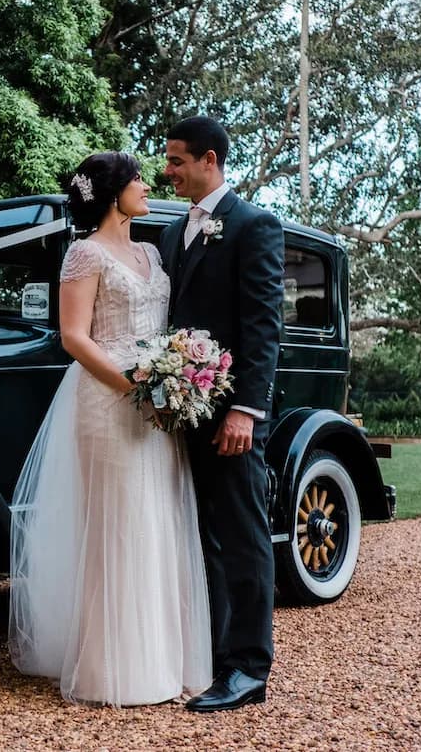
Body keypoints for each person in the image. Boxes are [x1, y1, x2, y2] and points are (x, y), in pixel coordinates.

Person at [9, 151, 213, 707]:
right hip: (107, 399)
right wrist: (133, 386)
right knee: (118, 523)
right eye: (138, 180)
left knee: (159, 519)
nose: (148, 186)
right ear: (113, 193)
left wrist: (177, 374)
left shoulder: (151, 249)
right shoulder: (84, 254)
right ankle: (111, 668)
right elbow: (74, 337)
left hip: (160, 401)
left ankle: (161, 661)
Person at [159, 115, 284, 713]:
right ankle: (212, 656)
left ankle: (248, 669)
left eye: (177, 160)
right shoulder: (172, 233)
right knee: (202, 538)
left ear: (210, 160)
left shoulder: (254, 226)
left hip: (231, 416)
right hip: (183, 413)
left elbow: (263, 329)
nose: (168, 170)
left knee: (242, 538)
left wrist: (246, 411)